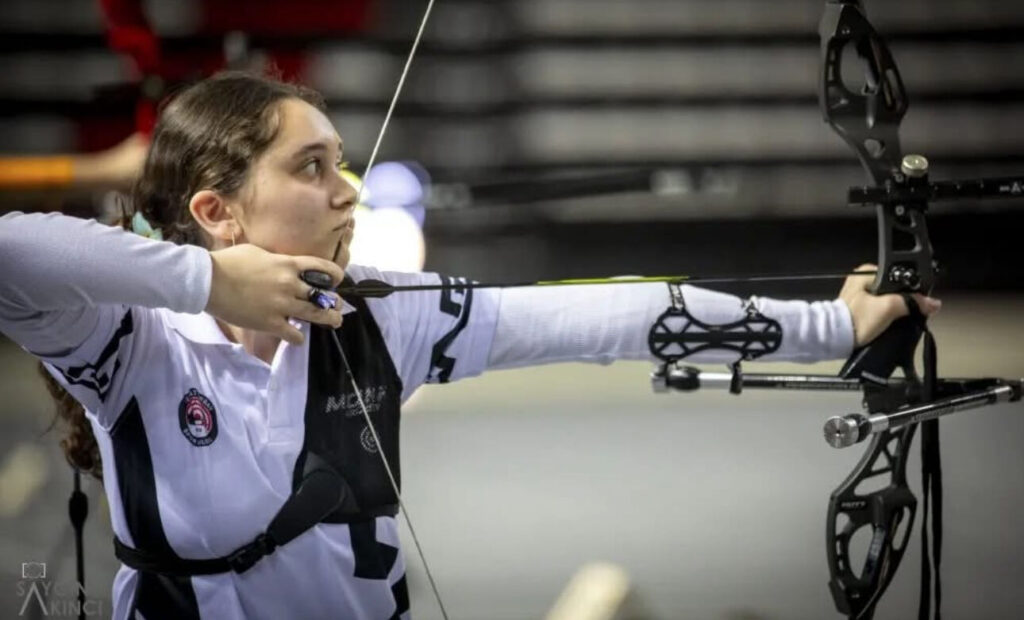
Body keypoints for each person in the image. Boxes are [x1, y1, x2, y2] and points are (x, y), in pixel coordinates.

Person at [0, 71, 939, 620]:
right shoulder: (130, 345)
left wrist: (833, 324)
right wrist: (213, 282)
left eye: (343, 162)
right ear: (216, 209)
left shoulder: (385, 314)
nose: (349, 191)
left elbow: (613, 316)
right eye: (313, 167)